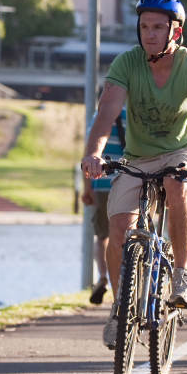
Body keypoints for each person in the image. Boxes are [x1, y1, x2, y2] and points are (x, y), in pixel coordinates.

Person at [80, 0, 187, 349]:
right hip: (137, 157)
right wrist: (93, 154)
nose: (150, 34)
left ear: (176, 31)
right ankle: (119, 307)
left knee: (177, 187)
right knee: (119, 228)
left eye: (159, 27)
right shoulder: (126, 63)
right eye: (144, 27)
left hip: (181, 150)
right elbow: (105, 115)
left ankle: (182, 276)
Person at [81, 107, 126, 305]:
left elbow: (88, 154)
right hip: (129, 181)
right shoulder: (135, 113)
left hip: (102, 183)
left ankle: (103, 276)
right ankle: (126, 276)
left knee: (102, 236)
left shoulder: (98, 117)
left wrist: (87, 188)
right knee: (127, 233)